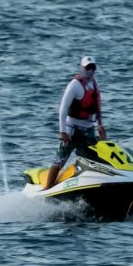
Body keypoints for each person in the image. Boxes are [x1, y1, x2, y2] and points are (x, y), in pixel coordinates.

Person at [41, 57, 107, 187]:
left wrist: (100, 125)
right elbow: (63, 109)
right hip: (72, 129)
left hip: (88, 130)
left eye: (93, 67)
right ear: (82, 68)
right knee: (60, 160)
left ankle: (93, 182)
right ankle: (47, 189)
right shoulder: (75, 84)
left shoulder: (94, 83)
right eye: (88, 67)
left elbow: (96, 108)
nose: (91, 70)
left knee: (97, 158)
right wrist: (63, 131)